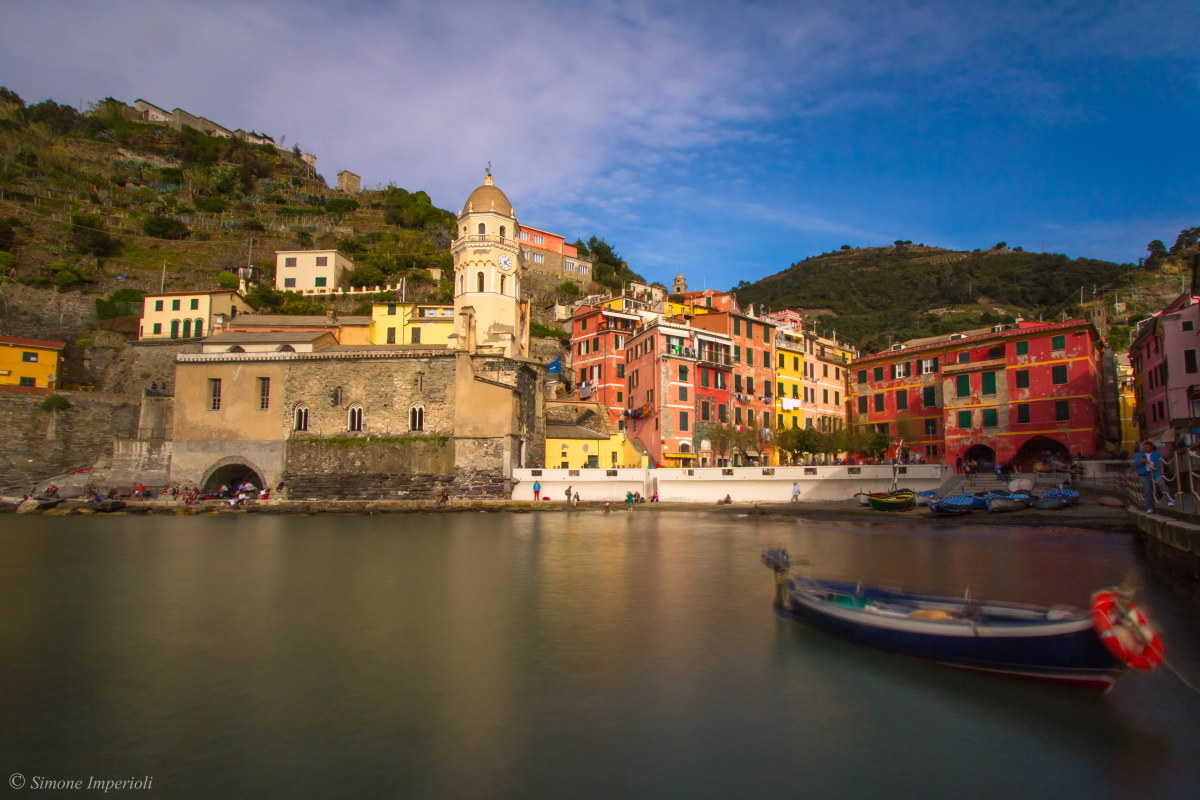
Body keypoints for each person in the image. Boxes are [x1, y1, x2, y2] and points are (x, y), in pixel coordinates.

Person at [1133, 441, 1173, 513]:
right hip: (1144, 474)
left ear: (1151, 447)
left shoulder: (1157, 454)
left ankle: (1169, 500)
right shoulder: (1139, 454)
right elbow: (1135, 464)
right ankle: (1149, 507)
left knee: (1161, 484)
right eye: (1144, 447)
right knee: (1147, 490)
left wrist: (1150, 463)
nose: (1146, 448)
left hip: (1156, 473)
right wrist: (1141, 461)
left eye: (1147, 447)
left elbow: (1159, 463)